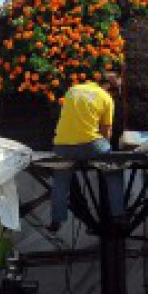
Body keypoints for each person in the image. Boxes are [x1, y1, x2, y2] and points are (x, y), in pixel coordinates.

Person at [48, 72, 124, 232]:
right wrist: (105, 150)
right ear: (109, 87)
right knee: (113, 170)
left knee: (61, 179)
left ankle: (57, 219)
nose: (114, 95)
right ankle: (118, 215)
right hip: (90, 144)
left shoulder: (73, 90)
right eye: (115, 92)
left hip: (62, 145)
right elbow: (106, 131)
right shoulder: (106, 98)